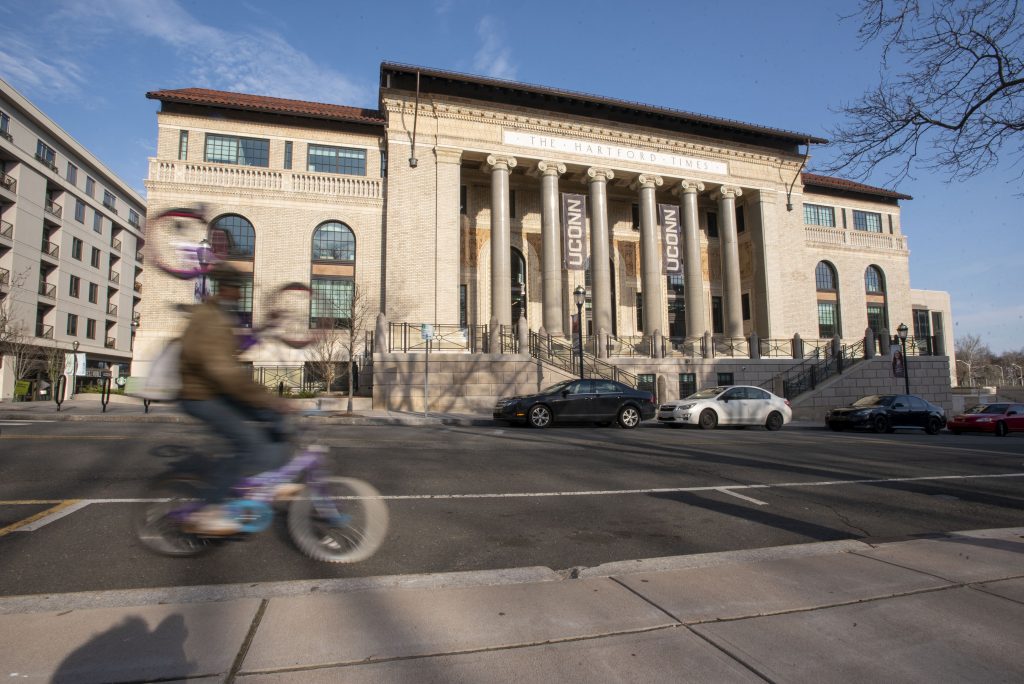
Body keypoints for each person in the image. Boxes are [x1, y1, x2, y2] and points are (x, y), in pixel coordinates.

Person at [177, 262, 292, 535]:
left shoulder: (219, 318)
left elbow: (234, 350)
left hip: (217, 390)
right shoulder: (208, 319)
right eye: (238, 290)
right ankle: (209, 511)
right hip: (200, 395)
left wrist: (265, 328)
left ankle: (271, 476)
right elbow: (223, 371)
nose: (240, 296)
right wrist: (265, 398)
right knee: (247, 442)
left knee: (275, 419)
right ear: (227, 289)